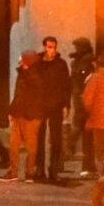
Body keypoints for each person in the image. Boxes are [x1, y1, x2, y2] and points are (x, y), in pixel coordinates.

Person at [2, 51, 46, 182]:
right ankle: (13, 171)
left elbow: (35, 95)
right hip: (18, 113)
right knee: (13, 144)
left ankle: (29, 172)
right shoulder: (22, 74)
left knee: (31, 146)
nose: (20, 61)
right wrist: (12, 110)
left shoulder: (36, 75)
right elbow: (18, 95)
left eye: (22, 59)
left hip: (31, 115)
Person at [35, 37, 72, 182]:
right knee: (39, 137)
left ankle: (54, 169)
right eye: (49, 47)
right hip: (40, 104)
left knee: (56, 139)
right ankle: (39, 168)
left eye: (54, 47)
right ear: (44, 47)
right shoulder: (38, 63)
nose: (52, 50)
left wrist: (66, 104)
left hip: (56, 105)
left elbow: (66, 85)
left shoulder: (61, 64)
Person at [68, 38, 97, 178]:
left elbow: (83, 80)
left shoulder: (86, 62)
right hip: (81, 101)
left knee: (84, 134)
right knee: (85, 135)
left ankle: (86, 164)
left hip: (84, 102)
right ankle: (87, 165)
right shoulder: (80, 61)